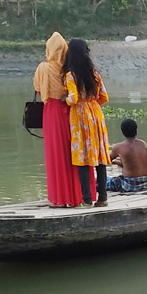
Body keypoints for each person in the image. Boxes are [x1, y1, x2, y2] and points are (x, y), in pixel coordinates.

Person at [33, 32, 85, 208]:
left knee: (56, 155)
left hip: (51, 113)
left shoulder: (43, 68)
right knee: (74, 154)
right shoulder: (71, 70)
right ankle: (78, 196)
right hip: (70, 112)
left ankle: (60, 199)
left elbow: (39, 90)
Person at [64, 39, 111, 207]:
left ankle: (87, 199)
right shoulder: (94, 73)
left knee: (82, 157)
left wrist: (67, 100)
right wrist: (92, 104)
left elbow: (73, 98)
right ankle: (103, 198)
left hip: (80, 117)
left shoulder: (71, 75)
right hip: (96, 115)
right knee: (99, 157)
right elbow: (104, 97)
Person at [107, 119, 147, 192]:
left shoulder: (119, 147)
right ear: (136, 130)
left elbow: (106, 160)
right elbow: (133, 166)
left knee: (103, 181)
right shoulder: (144, 144)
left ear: (122, 132)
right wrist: (117, 162)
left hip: (130, 185)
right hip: (145, 182)